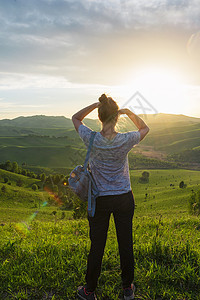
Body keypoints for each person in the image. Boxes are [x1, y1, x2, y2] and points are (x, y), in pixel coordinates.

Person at [72, 94, 150, 300]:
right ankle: (127, 289)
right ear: (116, 118)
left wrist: (95, 105)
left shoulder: (92, 138)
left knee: (97, 245)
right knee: (126, 243)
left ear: (99, 117)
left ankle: (89, 290)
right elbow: (145, 129)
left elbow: (75, 118)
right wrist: (129, 113)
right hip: (124, 197)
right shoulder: (125, 140)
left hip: (100, 200)